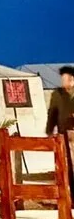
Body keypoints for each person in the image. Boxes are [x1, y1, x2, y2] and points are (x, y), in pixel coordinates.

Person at [46, 65, 74, 199]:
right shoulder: (57, 94)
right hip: (63, 135)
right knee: (65, 164)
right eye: (63, 79)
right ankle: (69, 195)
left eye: (66, 79)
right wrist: (49, 131)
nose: (64, 81)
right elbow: (52, 113)